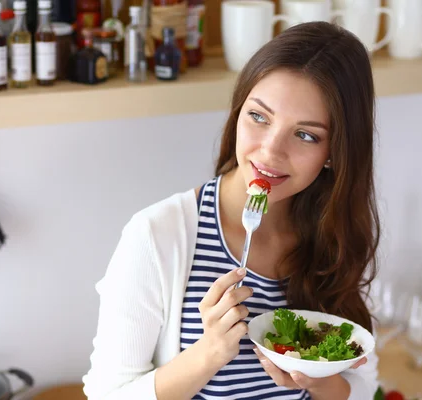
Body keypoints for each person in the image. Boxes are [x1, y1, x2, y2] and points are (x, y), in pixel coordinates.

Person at [82, 21, 381, 400]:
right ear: (238, 111)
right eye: (259, 116)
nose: (270, 152)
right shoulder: (156, 236)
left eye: (305, 135)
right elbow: (106, 396)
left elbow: (364, 387)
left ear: (336, 153)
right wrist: (208, 354)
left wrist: (320, 379)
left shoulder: (336, 235)